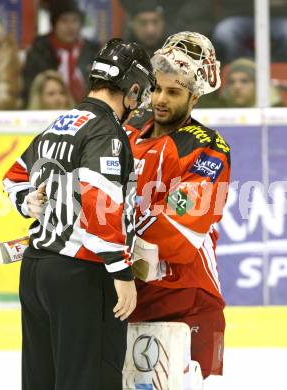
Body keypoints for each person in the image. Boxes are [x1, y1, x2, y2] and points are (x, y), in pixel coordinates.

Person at [3, 38, 156, 390]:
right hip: (83, 274)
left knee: (43, 381)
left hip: (37, 271)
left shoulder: (63, 122)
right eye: (141, 92)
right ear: (132, 87)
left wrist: (30, 202)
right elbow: (98, 206)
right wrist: (122, 273)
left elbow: (13, 178)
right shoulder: (106, 130)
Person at [125, 31, 231, 381]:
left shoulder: (207, 148)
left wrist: (110, 253)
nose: (159, 99)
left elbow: (181, 228)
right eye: (156, 88)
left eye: (173, 92)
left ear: (194, 96)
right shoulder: (126, 130)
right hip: (127, 297)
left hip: (187, 299)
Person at [22, 0, 99, 105]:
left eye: (75, 20)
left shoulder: (92, 51)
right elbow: (30, 90)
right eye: (64, 21)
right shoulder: (39, 51)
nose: (70, 27)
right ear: (54, 24)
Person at [197, 57, 282, 108]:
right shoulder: (217, 110)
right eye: (231, 82)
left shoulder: (275, 111)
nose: (236, 87)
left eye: (244, 81)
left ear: (258, 85)